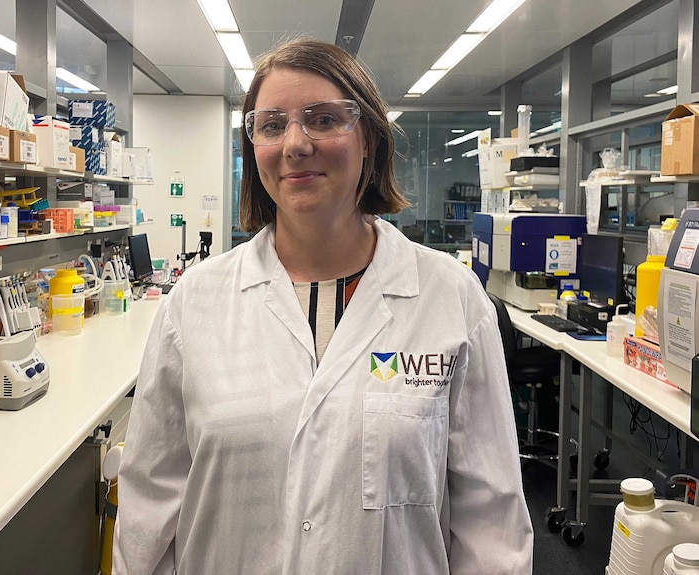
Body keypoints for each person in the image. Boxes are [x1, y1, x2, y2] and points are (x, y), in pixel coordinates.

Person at [113, 37, 533, 574]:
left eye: (324, 119)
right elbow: (150, 500)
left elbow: (491, 517)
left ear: (369, 142)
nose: (295, 143)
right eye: (271, 125)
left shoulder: (450, 296)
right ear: (254, 150)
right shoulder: (193, 304)